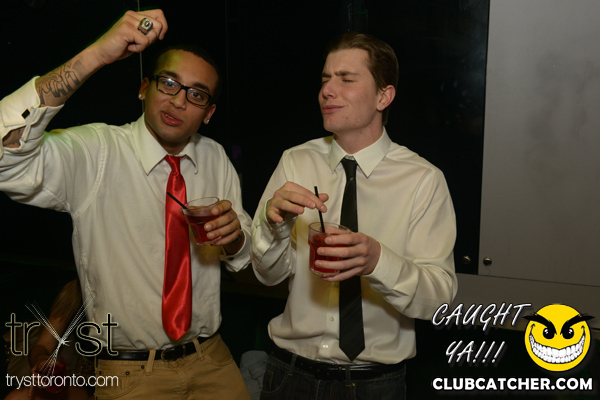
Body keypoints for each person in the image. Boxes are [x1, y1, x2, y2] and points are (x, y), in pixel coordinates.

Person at [0, 9, 252, 399]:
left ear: (208, 113)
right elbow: (5, 160)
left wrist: (234, 237)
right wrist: (97, 54)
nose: (178, 100)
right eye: (169, 83)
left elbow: (242, 256)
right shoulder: (97, 151)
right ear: (143, 88)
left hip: (212, 360)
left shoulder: (215, 157)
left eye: (197, 94)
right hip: (132, 374)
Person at [251, 32, 457, 399]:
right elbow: (267, 275)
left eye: (346, 79)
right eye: (325, 79)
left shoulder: (423, 179)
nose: (327, 91)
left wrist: (378, 261)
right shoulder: (296, 161)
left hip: (374, 384)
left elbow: (439, 299)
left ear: (383, 96)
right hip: (288, 374)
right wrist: (275, 227)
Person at [5, 280, 94, 400]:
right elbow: (43, 346)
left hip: (115, 379)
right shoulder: (75, 290)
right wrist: (42, 360)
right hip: (87, 381)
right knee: (16, 397)